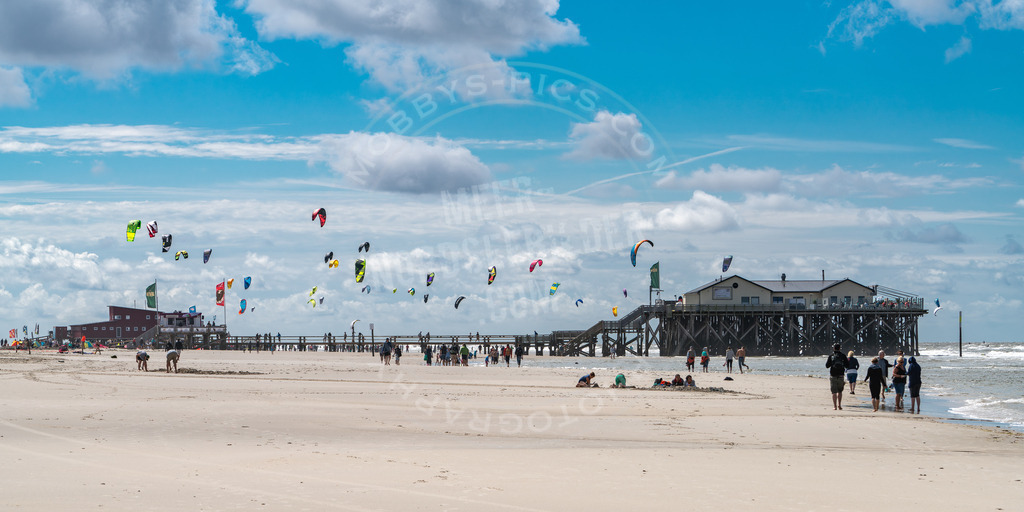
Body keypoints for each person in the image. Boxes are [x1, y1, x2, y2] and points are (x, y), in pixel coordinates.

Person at [825, 343, 848, 410]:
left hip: (833, 375)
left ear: (834, 348)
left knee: (834, 392)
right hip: (841, 375)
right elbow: (847, 365)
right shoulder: (843, 356)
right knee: (840, 391)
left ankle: (834, 406)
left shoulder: (831, 356)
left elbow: (827, 366)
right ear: (840, 348)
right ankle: (839, 405)